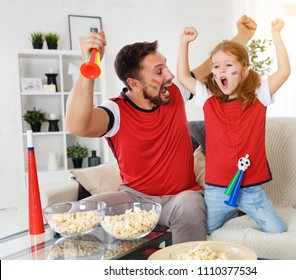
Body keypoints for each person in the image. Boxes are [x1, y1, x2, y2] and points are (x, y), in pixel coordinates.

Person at [65, 15, 257, 244]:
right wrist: (90, 66)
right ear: (134, 84)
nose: (170, 75)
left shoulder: (173, 92)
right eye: (159, 71)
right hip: (135, 200)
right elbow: (77, 125)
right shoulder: (116, 110)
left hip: (181, 199)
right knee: (78, 212)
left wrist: (243, 36)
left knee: (189, 204)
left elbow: (210, 68)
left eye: (165, 66)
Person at [177, 19, 290, 235]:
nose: (221, 71)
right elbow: (183, 77)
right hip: (216, 190)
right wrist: (184, 43)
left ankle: (235, 211)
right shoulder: (207, 98)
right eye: (216, 66)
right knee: (205, 234)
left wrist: (276, 34)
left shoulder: (259, 97)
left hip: (251, 190)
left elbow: (283, 72)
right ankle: (229, 212)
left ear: (244, 71)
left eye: (229, 66)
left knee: (278, 230)